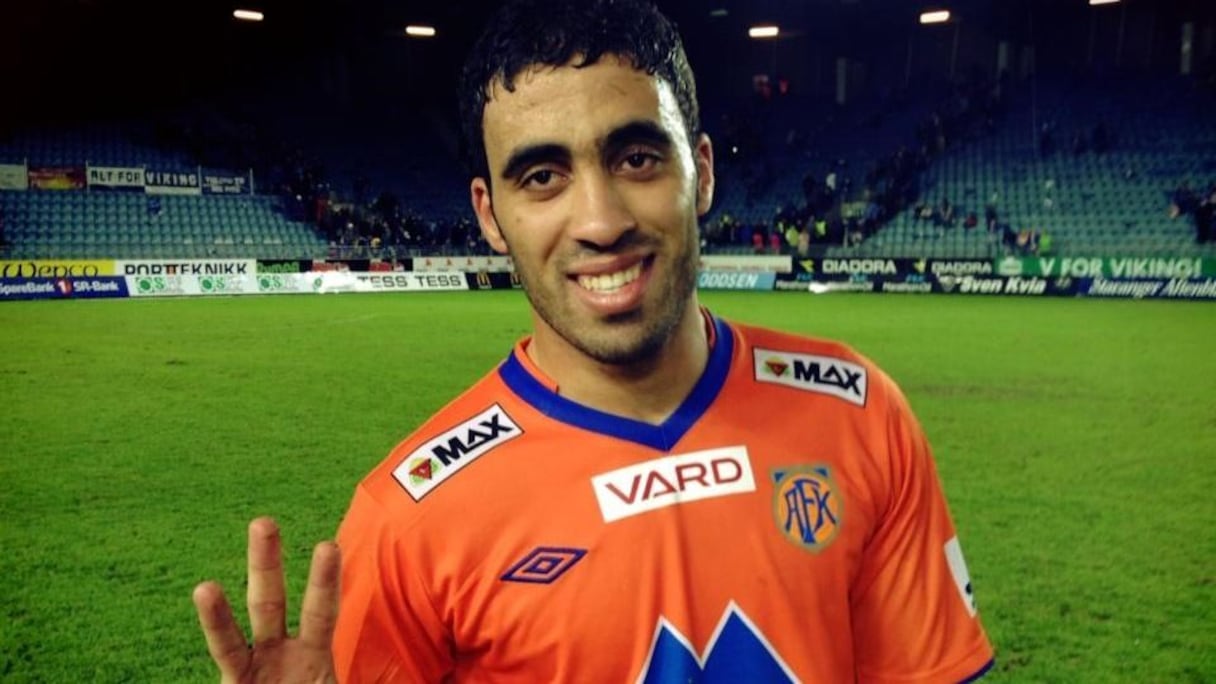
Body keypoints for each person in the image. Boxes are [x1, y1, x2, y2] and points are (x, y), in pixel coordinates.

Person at [192, 0, 994, 681]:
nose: (601, 221)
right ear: (489, 215)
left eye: (637, 158)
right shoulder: (408, 521)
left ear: (702, 171)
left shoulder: (857, 413)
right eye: (542, 177)